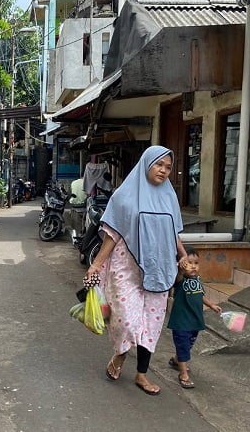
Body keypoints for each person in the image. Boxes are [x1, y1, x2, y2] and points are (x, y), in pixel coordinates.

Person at [84, 145, 188, 396]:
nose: (163, 170)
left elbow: (173, 232)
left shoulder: (169, 197)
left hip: (158, 268)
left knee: (152, 323)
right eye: (159, 164)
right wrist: (96, 265)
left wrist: (183, 255)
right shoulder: (124, 196)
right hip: (127, 266)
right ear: (146, 164)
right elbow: (112, 234)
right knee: (128, 320)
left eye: (168, 167)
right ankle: (120, 353)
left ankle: (142, 374)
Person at [168, 246, 222, 389]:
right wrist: (180, 268)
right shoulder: (179, 279)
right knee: (183, 346)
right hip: (181, 321)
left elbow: (200, 295)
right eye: (189, 263)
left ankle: (176, 360)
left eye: (196, 263)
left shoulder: (197, 279)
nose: (193, 266)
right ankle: (183, 374)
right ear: (182, 264)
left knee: (188, 344)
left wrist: (211, 305)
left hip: (195, 320)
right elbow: (178, 275)